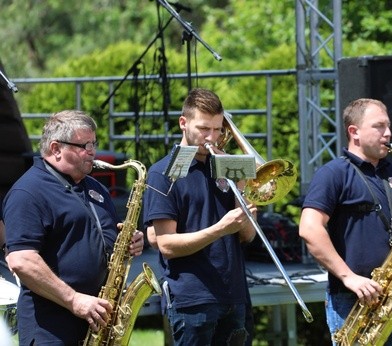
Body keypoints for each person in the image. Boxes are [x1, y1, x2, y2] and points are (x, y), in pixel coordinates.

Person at [299, 98, 392, 345]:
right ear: (354, 132)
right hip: (351, 300)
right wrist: (349, 277)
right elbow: (309, 228)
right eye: (379, 126)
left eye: (388, 126)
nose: (388, 133)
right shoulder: (333, 173)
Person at [2, 110, 145, 345]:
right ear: (56, 148)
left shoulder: (96, 188)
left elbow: (100, 236)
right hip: (52, 329)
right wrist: (74, 300)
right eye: (83, 145)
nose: (92, 152)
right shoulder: (28, 192)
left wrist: (130, 240)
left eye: (93, 143)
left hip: (97, 321)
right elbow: (21, 260)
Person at [142, 88, 257, 345]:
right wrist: (220, 228)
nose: (212, 138)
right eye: (204, 129)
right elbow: (166, 245)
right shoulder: (163, 172)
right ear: (183, 123)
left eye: (218, 129)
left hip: (234, 294)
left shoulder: (226, 166)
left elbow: (247, 236)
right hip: (192, 299)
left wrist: (242, 192)